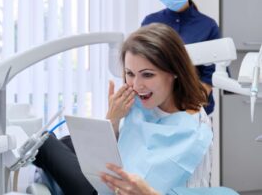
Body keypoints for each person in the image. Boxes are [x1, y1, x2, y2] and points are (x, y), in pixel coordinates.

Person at [33, 23, 213, 195]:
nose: (136, 85)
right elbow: (121, 149)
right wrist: (113, 119)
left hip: (110, 190)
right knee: (67, 142)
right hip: (109, 179)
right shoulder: (138, 102)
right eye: (130, 74)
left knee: (43, 142)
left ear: (175, 71)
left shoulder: (194, 129)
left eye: (148, 75)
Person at [141, 0, 220, 116]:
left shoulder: (208, 25)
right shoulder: (150, 22)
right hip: (157, 108)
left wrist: (193, 107)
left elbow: (210, 75)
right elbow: (141, 65)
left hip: (193, 108)